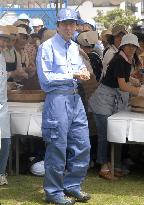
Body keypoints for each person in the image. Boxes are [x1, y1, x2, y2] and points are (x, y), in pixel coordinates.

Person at [36, 8, 91, 205]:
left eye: (72, 23)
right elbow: (45, 79)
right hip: (57, 99)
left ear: (76, 26)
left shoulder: (75, 47)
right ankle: (53, 191)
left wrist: (82, 71)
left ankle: (72, 186)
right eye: (65, 23)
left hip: (75, 99)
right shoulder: (47, 47)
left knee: (82, 144)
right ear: (57, 26)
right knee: (57, 146)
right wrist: (73, 75)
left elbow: (78, 70)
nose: (69, 27)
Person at [89, 33, 144, 180]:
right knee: (104, 135)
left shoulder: (125, 59)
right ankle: (103, 167)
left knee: (112, 133)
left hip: (111, 100)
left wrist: (134, 81)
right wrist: (141, 91)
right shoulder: (120, 59)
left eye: (134, 46)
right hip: (103, 100)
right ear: (123, 46)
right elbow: (122, 85)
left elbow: (122, 79)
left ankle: (112, 165)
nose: (132, 48)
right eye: (129, 45)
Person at [0, 26, 11, 186]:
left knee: (6, 140)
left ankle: (1, 173)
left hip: (3, 105)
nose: (2, 47)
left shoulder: (2, 57)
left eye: (3, 44)